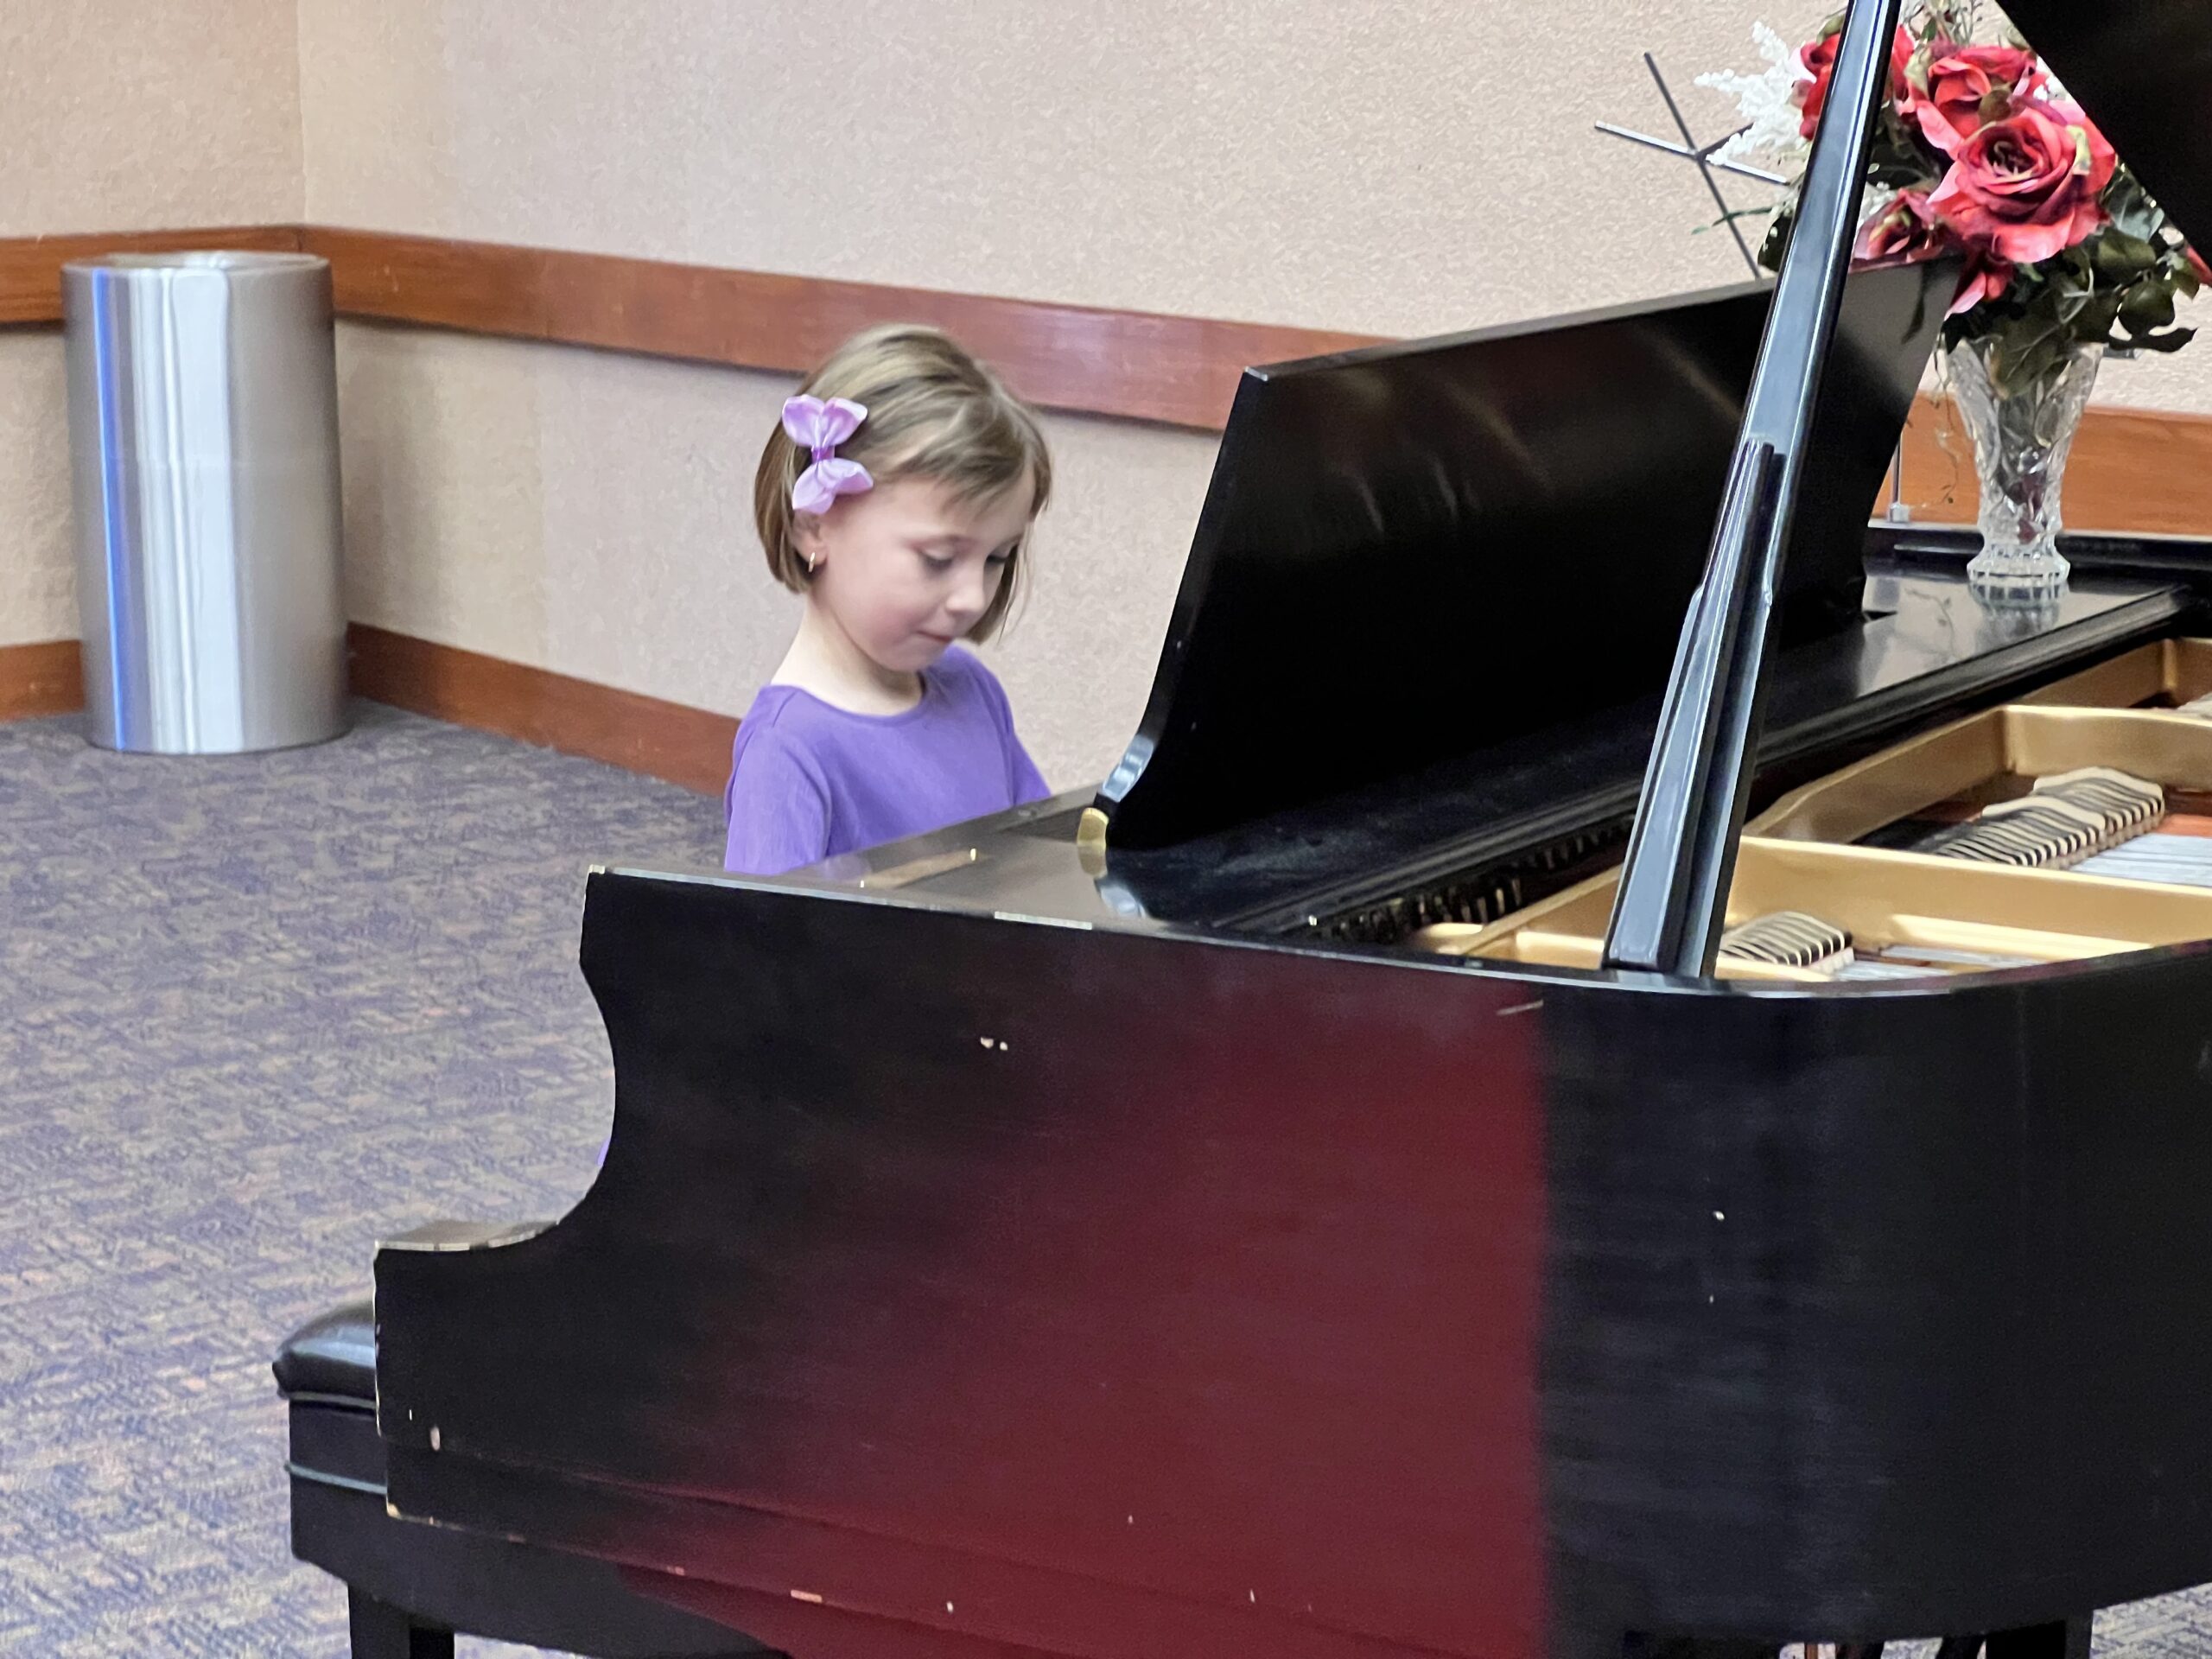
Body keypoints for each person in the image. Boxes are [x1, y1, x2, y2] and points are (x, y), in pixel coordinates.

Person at [723, 324, 1054, 874]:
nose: (972, 597)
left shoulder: (972, 688)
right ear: (814, 528)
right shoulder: (787, 752)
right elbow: (760, 932)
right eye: (938, 559)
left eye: (997, 558)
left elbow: (1040, 864)